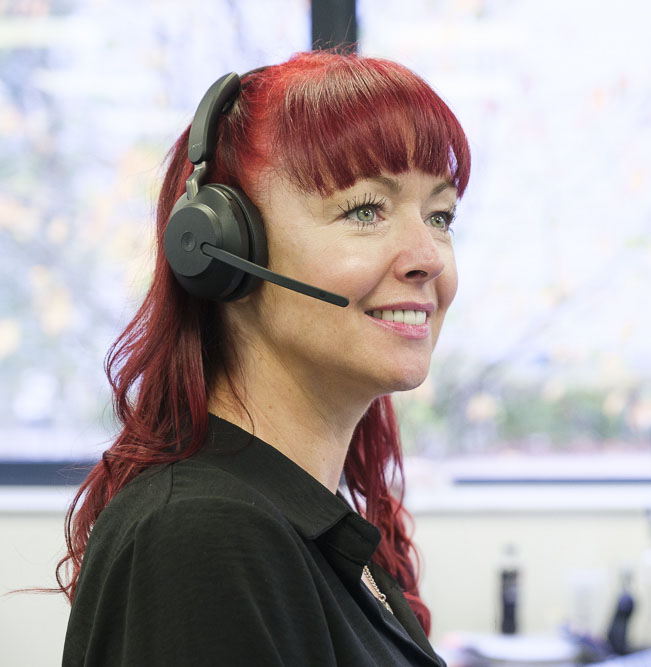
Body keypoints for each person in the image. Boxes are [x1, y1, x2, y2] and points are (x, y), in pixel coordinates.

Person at [59, 50, 471, 666]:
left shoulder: (303, 521)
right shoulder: (202, 536)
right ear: (221, 249)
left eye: (440, 216)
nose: (428, 257)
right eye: (365, 210)